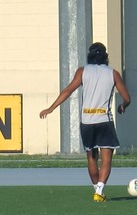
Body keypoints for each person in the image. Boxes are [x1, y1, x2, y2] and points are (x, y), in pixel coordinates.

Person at [39, 42, 131, 202]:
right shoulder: (113, 73)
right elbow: (127, 97)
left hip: (86, 121)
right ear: (105, 56)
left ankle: (97, 190)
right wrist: (123, 106)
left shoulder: (82, 71)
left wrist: (51, 108)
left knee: (91, 157)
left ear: (89, 55)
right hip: (104, 120)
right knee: (107, 158)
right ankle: (100, 191)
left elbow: (67, 90)